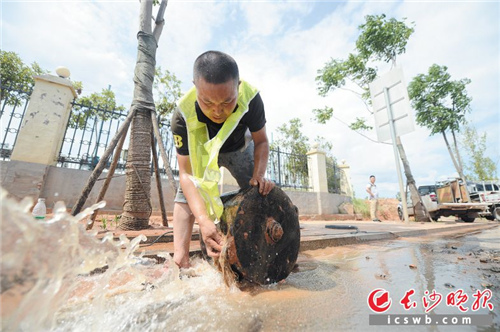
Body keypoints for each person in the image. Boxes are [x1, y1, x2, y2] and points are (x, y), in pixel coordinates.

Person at [170, 51, 275, 268]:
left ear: (238, 86)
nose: (218, 111)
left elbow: (262, 142)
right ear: (195, 86)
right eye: (207, 102)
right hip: (204, 153)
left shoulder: (252, 98)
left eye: (227, 101)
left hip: (239, 149)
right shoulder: (182, 115)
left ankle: (271, 252)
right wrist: (204, 220)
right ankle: (180, 259)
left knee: (259, 191)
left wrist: (259, 175)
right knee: (185, 196)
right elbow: (186, 174)